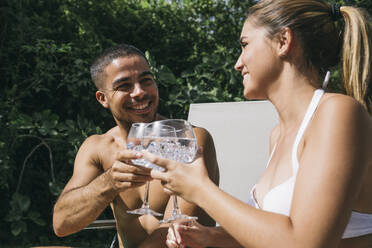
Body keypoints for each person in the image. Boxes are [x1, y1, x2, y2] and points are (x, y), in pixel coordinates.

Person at [142, 0, 372, 247]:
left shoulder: (338, 113)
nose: (237, 63)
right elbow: (276, 234)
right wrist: (210, 236)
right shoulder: (277, 134)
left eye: (245, 45)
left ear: (283, 41)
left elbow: (305, 242)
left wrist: (200, 189)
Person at [52, 44, 219, 248]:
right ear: (102, 98)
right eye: (124, 86)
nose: (139, 92)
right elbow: (62, 224)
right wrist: (109, 182)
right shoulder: (97, 148)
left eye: (146, 81)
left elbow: (177, 232)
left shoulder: (187, 140)